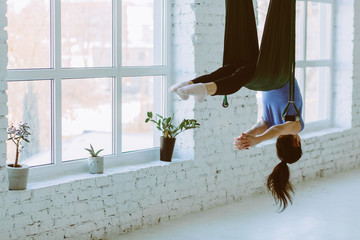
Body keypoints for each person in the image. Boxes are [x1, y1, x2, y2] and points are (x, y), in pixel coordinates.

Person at [169, 69, 304, 211]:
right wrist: (256, 140)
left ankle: (192, 86)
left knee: (232, 72)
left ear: (297, 142)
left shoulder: (294, 127)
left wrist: (245, 136)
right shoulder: (285, 127)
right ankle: (198, 88)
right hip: (271, 76)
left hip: (273, 75)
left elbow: (261, 126)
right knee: (234, 75)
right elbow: (275, 130)